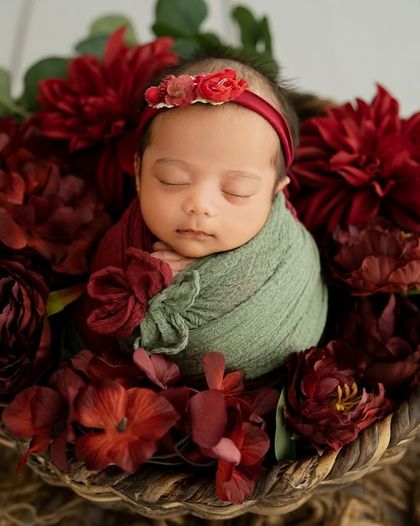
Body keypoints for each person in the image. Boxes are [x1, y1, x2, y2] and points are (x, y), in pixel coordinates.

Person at [79, 56, 328, 382]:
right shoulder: (124, 241)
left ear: (274, 194)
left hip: (267, 387)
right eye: (172, 179)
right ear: (138, 172)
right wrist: (147, 283)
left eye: (237, 191)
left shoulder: (287, 254)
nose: (199, 204)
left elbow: (302, 316)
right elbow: (95, 321)